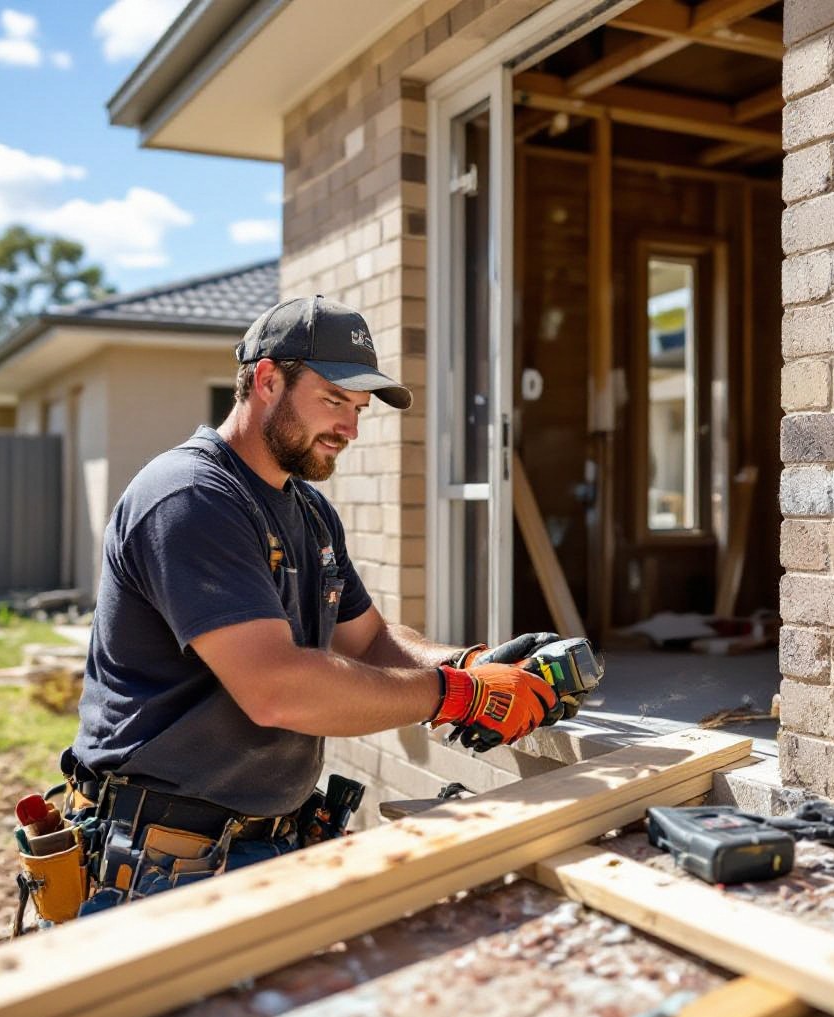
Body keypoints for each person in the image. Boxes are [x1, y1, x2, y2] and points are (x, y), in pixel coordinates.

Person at [45, 295, 571, 920]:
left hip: (269, 840)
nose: (350, 428)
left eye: (358, 409)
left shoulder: (308, 511)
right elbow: (276, 690)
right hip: (166, 862)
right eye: (333, 401)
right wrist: (457, 695)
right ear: (266, 380)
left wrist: (472, 665)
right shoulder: (189, 497)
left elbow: (369, 639)